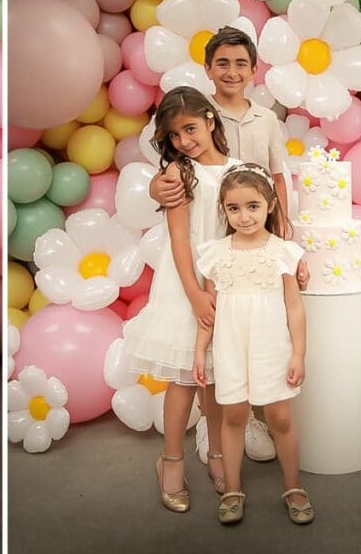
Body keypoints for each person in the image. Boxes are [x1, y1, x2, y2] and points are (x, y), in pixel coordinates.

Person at [150, 26, 303, 465]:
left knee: (230, 354)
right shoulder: (193, 110)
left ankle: (233, 431)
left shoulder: (265, 120)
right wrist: (157, 187)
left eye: (240, 63)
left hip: (240, 254)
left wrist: (285, 245)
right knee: (192, 364)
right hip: (198, 262)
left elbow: (274, 180)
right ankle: (192, 445)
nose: (232, 71)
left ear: (254, 70)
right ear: (208, 69)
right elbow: (171, 179)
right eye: (222, 63)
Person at [122, 86, 239, 513]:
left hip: (227, 282)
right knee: (185, 378)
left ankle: (217, 452)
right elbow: (178, 241)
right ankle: (170, 460)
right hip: (186, 282)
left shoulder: (238, 170)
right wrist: (194, 294)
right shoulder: (178, 173)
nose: (184, 141)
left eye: (190, 128)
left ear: (210, 119)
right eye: (174, 135)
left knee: (217, 378)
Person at [193, 163, 313, 525]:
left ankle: (293, 486)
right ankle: (232, 488)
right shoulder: (216, 253)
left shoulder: (283, 253)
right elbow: (209, 310)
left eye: (253, 206)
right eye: (234, 208)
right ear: (224, 210)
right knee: (233, 415)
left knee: (279, 416)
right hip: (230, 347)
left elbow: (294, 308)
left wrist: (298, 354)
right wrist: (199, 350)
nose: (243, 217)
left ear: (270, 205)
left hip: (271, 345)